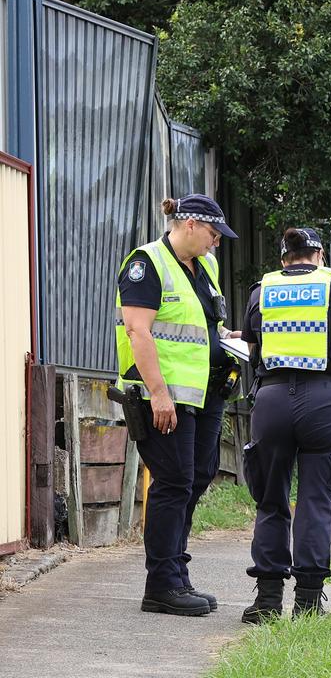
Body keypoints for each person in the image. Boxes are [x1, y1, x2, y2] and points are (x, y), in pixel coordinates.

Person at [240, 227, 331, 623]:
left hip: (271, 401)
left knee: (271, 500)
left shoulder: (261, 291)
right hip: (323, 402)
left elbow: (254, 347)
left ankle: (267, 601)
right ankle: (307, 604)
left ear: (284, 259)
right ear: (319, 255)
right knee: (316, 501)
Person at [115, 193, 239, 616]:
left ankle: (177, 572)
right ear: (189, 225)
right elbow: (139, 332)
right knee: (172, 483)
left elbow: (205, 327)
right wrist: (160, 394)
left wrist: (231, 343)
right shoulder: (145, 264)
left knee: (199, 476)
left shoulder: (206, 266)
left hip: (204, 394)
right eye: (212, 233)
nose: (216, 242)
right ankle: (161, 584)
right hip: (163, 397)